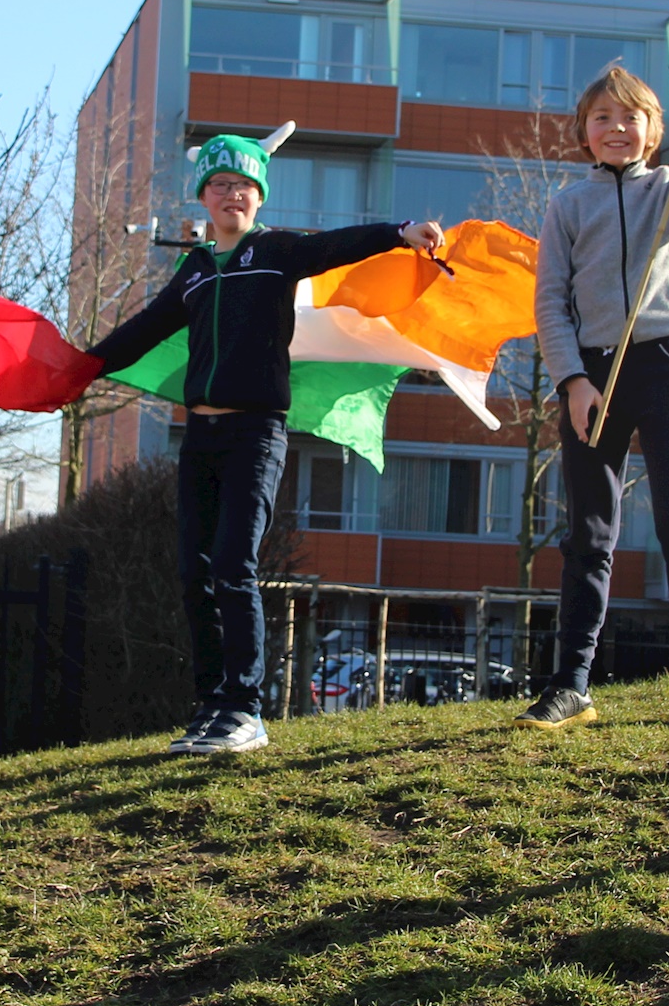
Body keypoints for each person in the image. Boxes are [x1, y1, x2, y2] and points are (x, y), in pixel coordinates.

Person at [89, 123, 444, 755]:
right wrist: (79, 366)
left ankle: (245, 710)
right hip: (200, 434)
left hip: (256, 432)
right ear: (203, 197)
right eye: (221, 184)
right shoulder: (195, 271)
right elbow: (143, 329)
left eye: (245, 186)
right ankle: (209, 707)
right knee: (193, 571)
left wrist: (398, 232)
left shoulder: (277, 252)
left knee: (233, 564)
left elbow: (338, 245)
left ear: (260, 198)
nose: (233, 195)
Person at [517, 64, 669, 730]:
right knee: (590, 530)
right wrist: (573, 382)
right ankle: (572, 685)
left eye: (630, 118)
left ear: (653, 132)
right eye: (602, 119)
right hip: (592, 373)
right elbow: (550, 303)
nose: (616, 129)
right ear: (584, 134)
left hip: (664, 363)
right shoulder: (567, 205)